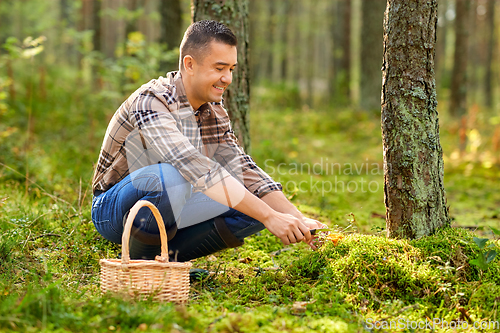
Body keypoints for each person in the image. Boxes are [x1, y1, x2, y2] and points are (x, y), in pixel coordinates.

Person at [91, 20, 325, 262]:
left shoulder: (212, 109)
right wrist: (269, 216)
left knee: (254, 204)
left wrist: (296, 218)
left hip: (174, 202)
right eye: (219, 68)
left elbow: (242, 169)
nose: (227, 79)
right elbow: (194, 166)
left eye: (231, 69)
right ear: (189, 64)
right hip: (114, 209)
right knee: (170, 178)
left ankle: (167, 261)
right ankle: (140, 266)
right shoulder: (152, 101)